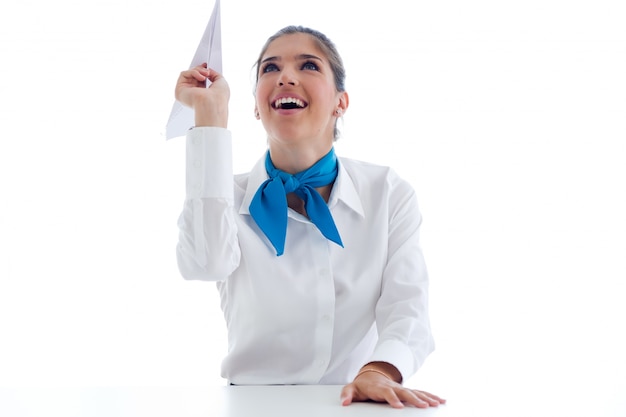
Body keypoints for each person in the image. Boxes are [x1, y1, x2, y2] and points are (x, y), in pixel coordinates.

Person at [174, 25, 445, 409]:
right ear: (255, 105)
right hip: (249, 406)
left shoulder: (387, 192)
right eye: (270, 69)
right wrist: (210, 119)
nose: (285, 76)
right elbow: (204, 264)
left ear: (341, 102)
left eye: (308, 66)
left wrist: (379, 371)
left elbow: (408, 307)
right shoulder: (224, 196)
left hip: (355, 404)